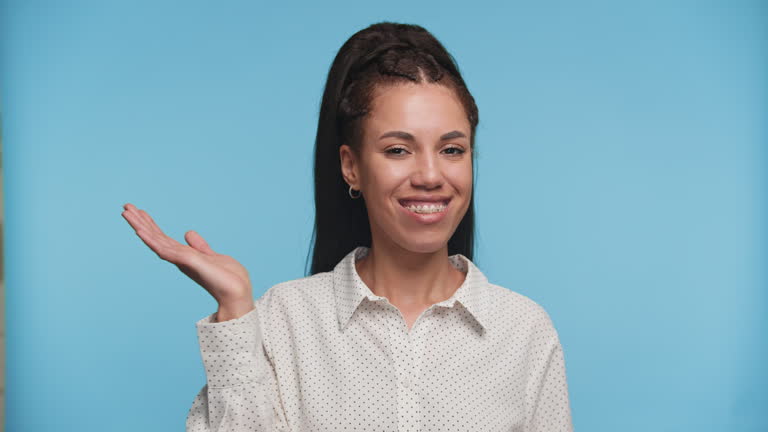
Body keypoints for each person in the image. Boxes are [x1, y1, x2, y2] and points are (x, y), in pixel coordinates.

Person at [122, 21, 573, 432]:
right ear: (351, 166)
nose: (431, 175)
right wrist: (236, 308)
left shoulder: (524, 330)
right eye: (398, 150)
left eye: (452, 150)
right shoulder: (284, 320)